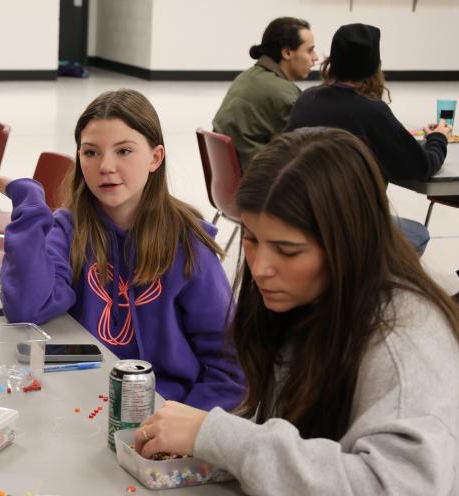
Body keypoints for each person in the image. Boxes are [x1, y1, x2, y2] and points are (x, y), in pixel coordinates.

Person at [134, 127, 459, 495]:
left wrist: (220, 435)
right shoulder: (307, 296)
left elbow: (398, 486)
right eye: (252, 240)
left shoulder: (405, 343)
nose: (260, 268)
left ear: (348, 244)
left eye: (288, 250)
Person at [0, 89, 245, 410]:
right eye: (91, 153)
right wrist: (30, 204)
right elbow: (27, 309)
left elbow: (230, 369)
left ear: (155, 157)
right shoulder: (70, 229)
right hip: (79, 402)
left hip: (163, 408)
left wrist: (181, 422)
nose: (106, 166)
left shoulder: (188, 244)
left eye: (124, 151)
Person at [285, 24, 451, 255]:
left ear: (331, 62)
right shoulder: (371, 110)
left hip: (301, 218)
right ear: (375, 68)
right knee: (417, 234)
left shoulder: (306, 99)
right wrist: (437, 139)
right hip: (350, 228)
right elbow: (420, 167)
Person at [212, 17, 318, 170]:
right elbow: (312, 143)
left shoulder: (247, 76)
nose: (315, 57)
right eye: (309, 50)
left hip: (233, 178)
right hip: (259, 183)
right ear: (287, 53)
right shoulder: (283, 93)